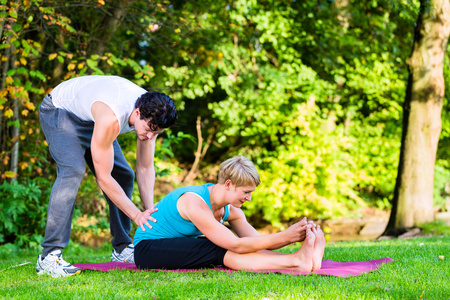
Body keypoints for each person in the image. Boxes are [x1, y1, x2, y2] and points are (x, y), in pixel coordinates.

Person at [36, 75, 177, 278]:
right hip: (61, 111)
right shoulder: (112, 117)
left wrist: (149, 213)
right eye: (148, 131)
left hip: (91, 116)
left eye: (156, 133)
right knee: (72, 171)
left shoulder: (152, 113)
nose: (150, 137)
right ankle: (49, 256)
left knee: (124, 175)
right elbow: (103, 177)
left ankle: (121, 248)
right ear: (137, 113)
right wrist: (137, 216)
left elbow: (145, 168)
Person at [134, 156, 326, 272]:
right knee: (215, 247)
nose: (249, 198)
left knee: (220, 246)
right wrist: (286, 236)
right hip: (148, 250)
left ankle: (300, 261)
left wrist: (292, 240)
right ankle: (295, 262)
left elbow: (254, 243)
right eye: (246, 192)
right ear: (228, 184)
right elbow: (236, 245)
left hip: (176, 247)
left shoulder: (231, 211)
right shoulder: (194, 202)